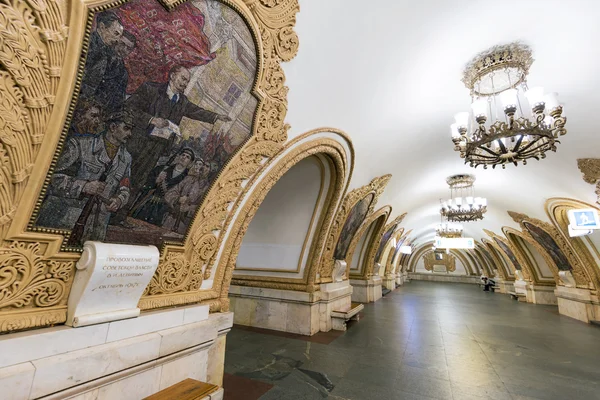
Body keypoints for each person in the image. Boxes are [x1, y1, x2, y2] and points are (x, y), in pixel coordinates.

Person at [124, 65, 231, 204]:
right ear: (173, 75)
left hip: (157, 147)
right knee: (125, 174)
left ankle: (120, 215)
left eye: (187, 81)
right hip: (138, 141)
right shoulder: (151, 89)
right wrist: (151, 119)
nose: (185, 83)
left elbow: (197, 111)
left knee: (140, 180)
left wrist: (216, 116)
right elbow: (129, 107)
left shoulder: (182, 101)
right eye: (183, 78)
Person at [36, 112, 133, 246]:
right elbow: (49, 178)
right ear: (113, 127)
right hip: (64, 222)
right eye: (126, 128)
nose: (130, 134)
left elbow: (125, 188)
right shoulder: (80, 144)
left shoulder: (126, 158)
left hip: (95, 231)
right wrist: (83, 186)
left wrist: (119, 200)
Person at [129, 147, 195, 226]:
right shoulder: (161, 169)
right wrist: (156, 180)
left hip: (165, 209)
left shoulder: (188, 178)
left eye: (187, 157)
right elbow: (145, 184)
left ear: (190, 162)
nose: (184, 158)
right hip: (148, 203)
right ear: (179, 156)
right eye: (183, 155)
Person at [79, 11, 125, 114]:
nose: (118, 40)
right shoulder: (87, 44)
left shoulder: (108, 53)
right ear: (102, 27)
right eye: (116, 33)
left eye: (119, 35)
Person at [162, 158, 211, 234]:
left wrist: (188, 208)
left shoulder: (208, 188)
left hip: (187, 225)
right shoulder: (188, 179)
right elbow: (170, 193)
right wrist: (178, 199)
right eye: (202, 165)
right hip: (171, 219)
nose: (203, 168)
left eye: (207, 166)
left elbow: (207, 209)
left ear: (210, 170)